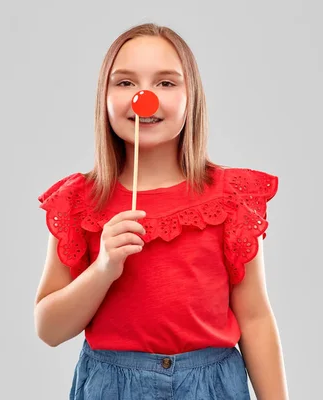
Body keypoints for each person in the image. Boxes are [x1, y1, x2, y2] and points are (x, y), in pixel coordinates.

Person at [34, 22, 289, 400]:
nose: (144, 98)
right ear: (103, 97)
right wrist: (103, 269)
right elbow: (49, 328)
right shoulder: (79, 202)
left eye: (165, 83)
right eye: (125, 83)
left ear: (192, 97)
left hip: (212, 387)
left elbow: (254, 317)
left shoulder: (229, 198)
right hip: (113, 387)